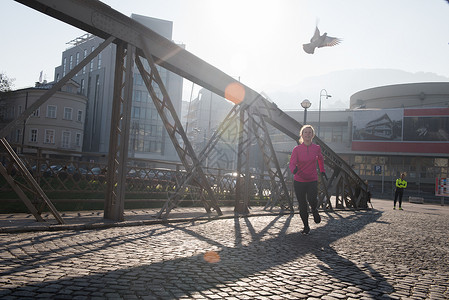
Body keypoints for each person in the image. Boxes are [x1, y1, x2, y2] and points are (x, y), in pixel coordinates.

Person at [289, 125, 326, 234]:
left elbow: (320, 158)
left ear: (312, 135)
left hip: (312, 179)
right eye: (305, 132)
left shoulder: (316, 148)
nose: (308, 134)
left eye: (310, 132)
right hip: (299, 180)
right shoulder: (297, 149)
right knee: (302, 204)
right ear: (302, 135)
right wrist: (293, 170)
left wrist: (322, 170)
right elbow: (292, 163)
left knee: (312, 199)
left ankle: (314, 210)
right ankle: (306, 226)